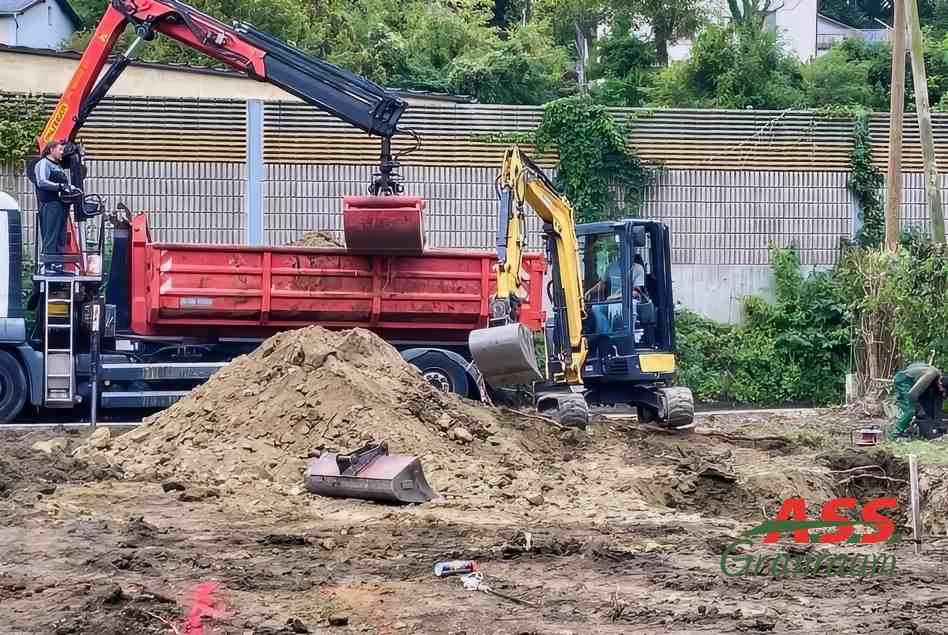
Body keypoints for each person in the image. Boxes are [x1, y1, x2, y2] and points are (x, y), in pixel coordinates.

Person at [33, 140, 77, 274]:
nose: (62, 152)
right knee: (51, 235)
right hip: (50, 205)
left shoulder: (57, 166)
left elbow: (64, 184)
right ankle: (48, 266)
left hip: (61, 206)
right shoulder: (43, 164)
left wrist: (72, 188)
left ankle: (58, 265)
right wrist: (59, 186)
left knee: (60, 236)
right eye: (60, 149)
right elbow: (41, 182)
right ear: (51, 149)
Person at [889, 362, 948, 440]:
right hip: (904, 381)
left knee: (928, 408)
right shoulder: (930, 375)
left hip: (916, 384)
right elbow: (912, 395)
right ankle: (893, 435)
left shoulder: (939, 381)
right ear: (940, 383)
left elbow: (937, 406)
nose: (942, 392)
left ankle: (924, 432)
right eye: (943, 390)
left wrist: (939, 427)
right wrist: (919, 410)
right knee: (910, 410)